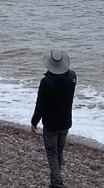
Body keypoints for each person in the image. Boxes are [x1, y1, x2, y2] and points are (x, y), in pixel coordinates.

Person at [31, 49, 77, 188]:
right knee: (59, 151)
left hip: (51, 123)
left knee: (52, 153)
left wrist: (34, 122)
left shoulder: (46, 82)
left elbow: (41, 105)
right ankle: (54, 180)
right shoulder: (72, 77)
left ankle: (57, 182)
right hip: (65, 121)